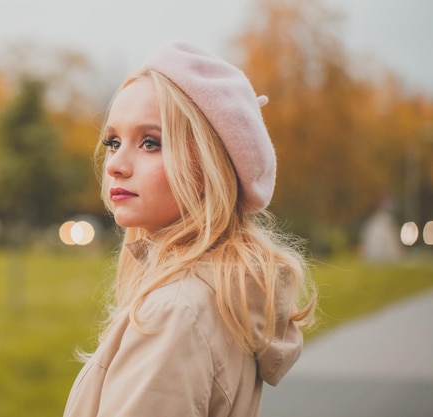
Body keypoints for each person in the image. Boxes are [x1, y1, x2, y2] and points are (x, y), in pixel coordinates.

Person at [63, 41, 316, 417]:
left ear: (209, 166)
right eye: (113, 142)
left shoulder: (174, 313)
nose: (115, 163)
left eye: (150, 143)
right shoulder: (217, 293)